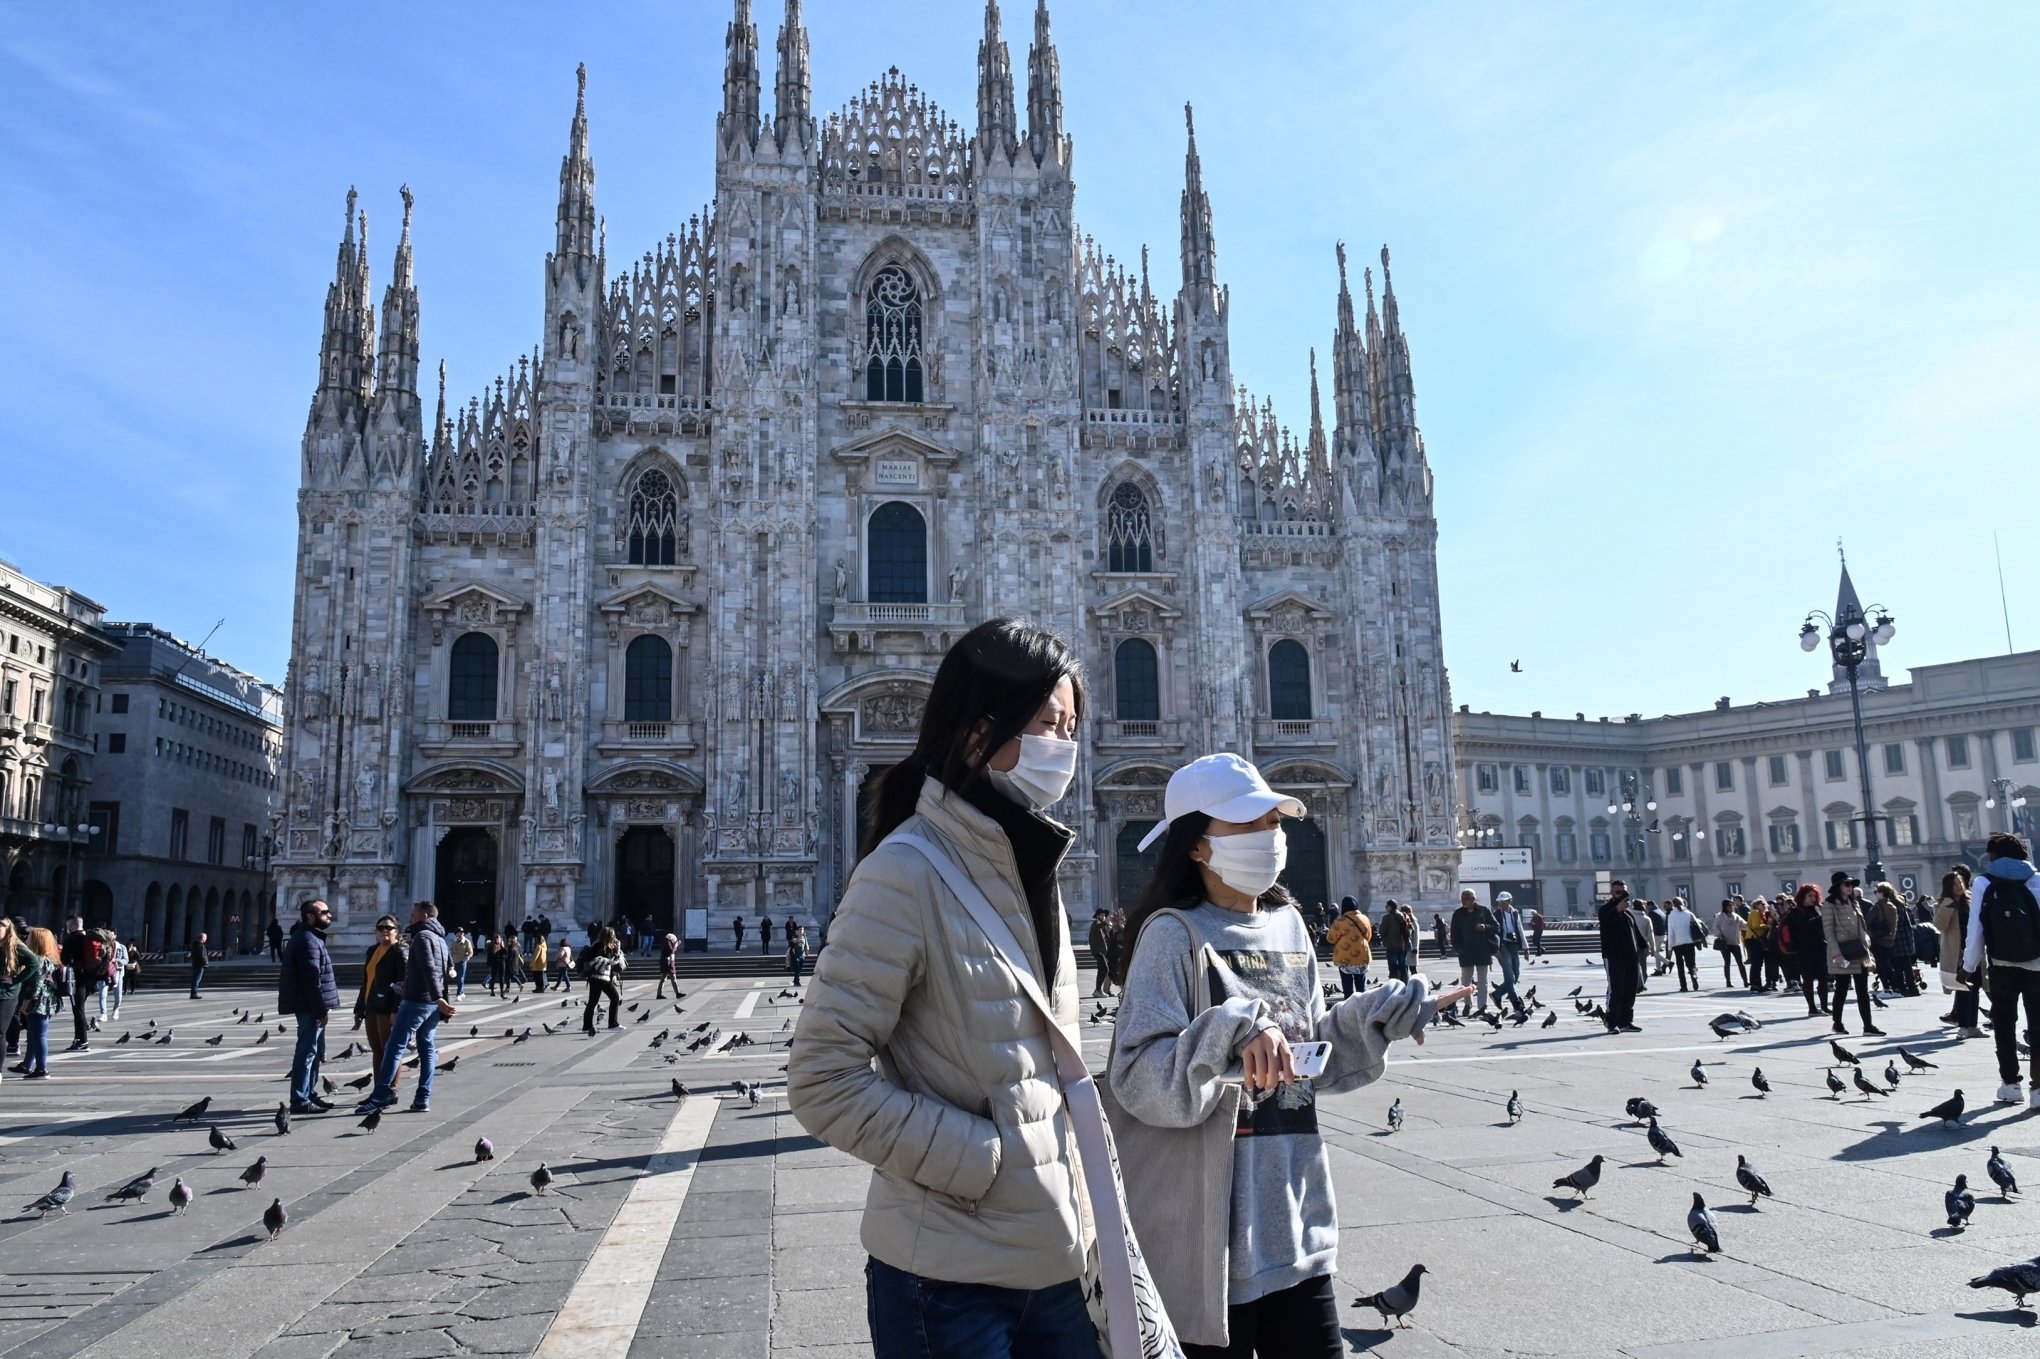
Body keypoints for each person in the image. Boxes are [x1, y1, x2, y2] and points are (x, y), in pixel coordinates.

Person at [787, 618, 1101, 1357]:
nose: (1065, 747)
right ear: (976, 733)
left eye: (1072, 726)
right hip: (949, 1282)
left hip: (1056, 1262)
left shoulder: (1031, 869)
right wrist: (979, 1158)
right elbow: (821, 1078)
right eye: (1049, 724)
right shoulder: (905, 870)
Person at [1106, 752, 1466, 1356]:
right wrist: (1233, 1030)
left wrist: (1375, 1017)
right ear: (1196, 845)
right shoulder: (1173, 934)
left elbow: (1305, 1057)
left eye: (1272, 822)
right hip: (1209, 1244)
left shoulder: (1291, 928)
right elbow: (1137, 1078)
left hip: (1296, 1224)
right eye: (1247, 824)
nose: (1269, 837)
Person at [1961, 832, 2040, 1108]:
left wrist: (1968, 966)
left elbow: (1976, 928)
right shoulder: (2037, 878)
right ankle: (2039, 1089)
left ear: (1994, 855)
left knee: (2004, 1023)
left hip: (2002, 964)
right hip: (2036, 964)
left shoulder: (1984, 882)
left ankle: (2011, 1084)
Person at [359, 901, 455, 1115]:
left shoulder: (421, 937)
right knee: (428, 1049)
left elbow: (429, 968)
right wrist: (438, 998)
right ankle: (423, 1098)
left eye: (413, 915)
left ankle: (381, 1094)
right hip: (430, 1004)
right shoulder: (440, 939)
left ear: (425, 916)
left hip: (418, 1001)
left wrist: (438, 997)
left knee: (394, 1047)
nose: (410, 919)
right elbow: (448, 970)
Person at [280, 899, 341, 1113]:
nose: (330, 915)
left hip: (310, 1005)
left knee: (314, 1053)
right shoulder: (307, 940)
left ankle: (309, 1093)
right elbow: (311, 979)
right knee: (307, 1052)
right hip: (310, 1007)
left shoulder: (311, 938)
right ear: (310, 916)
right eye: (324, 912)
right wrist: (321, 1010)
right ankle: (299, 1100)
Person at [352, 915, 409, 1103]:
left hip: (388, 1007)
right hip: (372, 1005)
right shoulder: (373, 950)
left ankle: (391, 1089)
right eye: (380, 927)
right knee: (376, 1048)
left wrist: (397, 1009)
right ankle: (378, 1089)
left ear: (397, 931)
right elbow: (366, 981)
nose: (385, 930)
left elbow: (404, 983)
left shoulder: (400, 951)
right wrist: (359, 1008)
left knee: (389, 1048)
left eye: (389, 928)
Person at [1820, 873, 1882, 1037]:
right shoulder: (1830, 904)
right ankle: (1837, 1023)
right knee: (1841, 989)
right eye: (1846, 884)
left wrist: (1867, 943)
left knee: (1862, 991)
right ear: (1837, 887)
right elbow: (1829, 933)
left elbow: (1861, 927)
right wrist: (1837, 954)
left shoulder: (1853, 902)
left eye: (1851, 884)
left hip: (1858, 951)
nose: (1849, 887)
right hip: (1843, 953)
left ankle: (1868, 1026)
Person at [1934, 869, 1984, 1038]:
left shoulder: (1970, 900)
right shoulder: (1943, 903)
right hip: (1956, 952)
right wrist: (1948, 906)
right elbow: (1940, 925)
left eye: (1961, 882)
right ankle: (1963, 1027)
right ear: (1948, 886)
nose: (1959, 886)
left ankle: (1972, 1026)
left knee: (1975, 987)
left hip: (1973, 949)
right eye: (1955, 883)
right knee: (1962, 988)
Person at [12, 928, 62, 1079]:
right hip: (47, 1001)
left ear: (37, 941)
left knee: (39, 1035)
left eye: (30, 937)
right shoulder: (50, 959)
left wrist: (26, 1003)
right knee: (34, 1034)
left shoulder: (38, 960)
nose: (27, 939)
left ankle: (41, 1069)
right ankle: (27, 1065)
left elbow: (36, 985)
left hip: (37, 1002)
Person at [1598, 880, 1644, 1033]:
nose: (1621, 895)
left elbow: (1635, 930)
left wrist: (1644, 945)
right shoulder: (1605, 910)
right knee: (1616, 989)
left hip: (1631, 956)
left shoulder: (1628, 913)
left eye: (1624, 892)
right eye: (1618, 892)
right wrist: (1617, 909)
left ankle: (1625, 1021)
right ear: (1612, 893)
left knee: (1630, 989)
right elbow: (1606, 922)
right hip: (1613, 956)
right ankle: (1611, 1022)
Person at [0, 920, 39, 1085]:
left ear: (7, 929)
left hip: (6, 995)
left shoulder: (16, 946)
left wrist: (16, 980)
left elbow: (34, 964)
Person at [1450, 889, 1499, 1015]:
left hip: (1482, 950)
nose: (1462, 901)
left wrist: (1485, 927)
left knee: (1483, 980)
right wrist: (1459, 948)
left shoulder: (1484, 911)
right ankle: (1468, 1003)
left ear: (1473, 899)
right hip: (1465, 952)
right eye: (1462, 899)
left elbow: (1496, 927)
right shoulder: (1458, 914)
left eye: (1465, 898)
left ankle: (1482, 1007)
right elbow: (1454, 934)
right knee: (1466, 980)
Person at [1782, 884, 1828, 1016]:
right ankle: (1812, 1008)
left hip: (1819, 948)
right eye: (1810, 896)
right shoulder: (1795, 912)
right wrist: (1821, 917)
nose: (1813, 899)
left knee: (1823, 978)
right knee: (1808, 980)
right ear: (1802, 897)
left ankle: (1824, 1006)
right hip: (1804, 951)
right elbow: (1805, 926)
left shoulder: (1815, 910)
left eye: (1815, 896)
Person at [1867, 882, 1917, 997]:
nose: (1875, 894)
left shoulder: (1892, 905)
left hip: (1899, 939)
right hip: (1902, 938)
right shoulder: (1898, 903)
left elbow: (1898, 922)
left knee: (1901, 965)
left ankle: (1906, 987)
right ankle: (1908, 987)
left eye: (1877, 892)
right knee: (1904, 965)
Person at [579, 925, 625, 1033]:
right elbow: (596, 960)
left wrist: (618, 948)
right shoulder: (598, 946)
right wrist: (610, 961)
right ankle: (611, 1024)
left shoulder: (610, 947)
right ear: (608, 935)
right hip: (597, 978)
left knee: (597, 1001)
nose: (615, 937)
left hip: (604, 978)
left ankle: (588, 1026)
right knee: (608, 999)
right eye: (613, 935)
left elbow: (616, 960)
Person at [59, 917, 96, 1050]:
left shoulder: (71, 939)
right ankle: (79, 1039)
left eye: (68, 925)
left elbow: (63, 959)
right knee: (80, 1009)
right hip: (91, 979)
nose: (67, 928)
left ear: (73, 925)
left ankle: (82, 1041)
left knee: (78, 1010)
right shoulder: (90, 937)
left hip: (77, 979)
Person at [1326, 896, 1373, 997]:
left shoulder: (1340, 922)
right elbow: (1368, 937)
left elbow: (1330, 938)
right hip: (1362, 956)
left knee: (1348, 989)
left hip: (1344, 959)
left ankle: (1349, 1010)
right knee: (1361, 988)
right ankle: (1363, 1009)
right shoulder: (1364, 919)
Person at [1491, 891, 1527, 1015]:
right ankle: (1516, 1003)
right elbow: (1493, 933)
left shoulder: (1515, 913)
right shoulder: (1496, 914)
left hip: (1514, 945)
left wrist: (1526, 947)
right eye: (1501, 902)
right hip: (1503, 946)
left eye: (1505, 901)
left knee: (1516, 974)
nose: (1502, 904)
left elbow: (1520, 929)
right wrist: (1495, 950)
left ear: (1510, 901)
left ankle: (1497, 993)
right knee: (1509, 977)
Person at [1664, 897, 1703, 992]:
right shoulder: (1688, 913)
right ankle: (1694, 976)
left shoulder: (1671, 915)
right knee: (1691, 963)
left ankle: (1683, 986)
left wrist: (1669, 947)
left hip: (1677, 944)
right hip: (1689, 942)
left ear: (1673, 904)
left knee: (1680, 965)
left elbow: (1670, 932)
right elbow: (1699, 925)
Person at [1712, 899, 1748, 987]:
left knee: (1740, 962)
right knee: (1727, 962)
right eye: (1730, 905)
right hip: (1725, 943)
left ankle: (1745, 981)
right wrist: (1719, 934)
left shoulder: (1736, 916)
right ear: (1725, 906)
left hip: (1735, 942)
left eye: (1733, 905)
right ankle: (1728, 981)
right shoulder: (1719, 916)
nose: (1732, 907)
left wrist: (1750, 921)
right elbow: (1715, 927)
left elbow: (1744, 925)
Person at [1378, 898, 1411, 981]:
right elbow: (1411, 929)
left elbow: (1382, 931)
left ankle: (1394, 985)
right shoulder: (1404, 916)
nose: (1386, 908)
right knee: (1403, 967)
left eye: (1386, 906)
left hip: (1392, 945)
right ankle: (1405, 984)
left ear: (1390, 907)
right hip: (1403, 945)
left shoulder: (1386, 918)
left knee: (1393, 968)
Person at [1087, 910, 1115, 997]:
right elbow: (1097, 927)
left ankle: (1097, 990)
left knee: (1101, 970)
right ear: (1098, 916)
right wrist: (1106, 923)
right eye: (1101, 915)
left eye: (1104, 915)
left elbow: (1106, 938)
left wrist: (1107, 930)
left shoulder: (1101, 926)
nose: (1103, 917)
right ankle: (1098, 990)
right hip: (1097, 951)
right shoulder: (1096, 923)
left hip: (1101, 951)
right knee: (1105, 969)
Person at [447, 926, 473, 999]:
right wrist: (450, 960)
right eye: (459, 933)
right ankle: (462, 992)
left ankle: (458, 994)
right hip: (455, 961)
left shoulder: (467, 941)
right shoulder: (454, 942)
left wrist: (466, 958)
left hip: (462, 961)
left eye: (462, 933)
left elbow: (470, 952)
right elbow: (451, 951)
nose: (460, 934)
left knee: (461, 978)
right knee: (457, 978)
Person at [187, 931, 212, 999]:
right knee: (196, 980)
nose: (206, 939)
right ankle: (194, 994)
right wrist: (205, 962)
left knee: (195, 979)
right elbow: (201, 955)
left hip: (196, 964)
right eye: (205, 938)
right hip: (200, 965)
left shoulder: (195, 944)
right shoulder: (200, 945)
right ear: (202, 938)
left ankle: (193, 993)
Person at [657, 931, 681, 998]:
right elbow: (671, 951)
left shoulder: (666, 941)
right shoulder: (667, 942)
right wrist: (676, 945)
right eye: (673, 940)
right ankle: (677, 993)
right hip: (667, 963)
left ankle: (659, 994)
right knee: (672, 978)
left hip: (666, 962)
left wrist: (675, 945)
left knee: (664, 979)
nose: (674, 941)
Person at [786, 923, 809, 988]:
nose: (801, 931)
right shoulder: (795, 937)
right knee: (797, 969)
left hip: (802, 955)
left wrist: (806, 952)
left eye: (802, 929)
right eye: (800, 929)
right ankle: (797, 982)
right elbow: (794, 941)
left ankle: (795, 979)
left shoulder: (804, 937)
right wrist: (800, 936)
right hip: (796, 956)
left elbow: (806, 945)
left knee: (799, 970)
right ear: (797, 931)